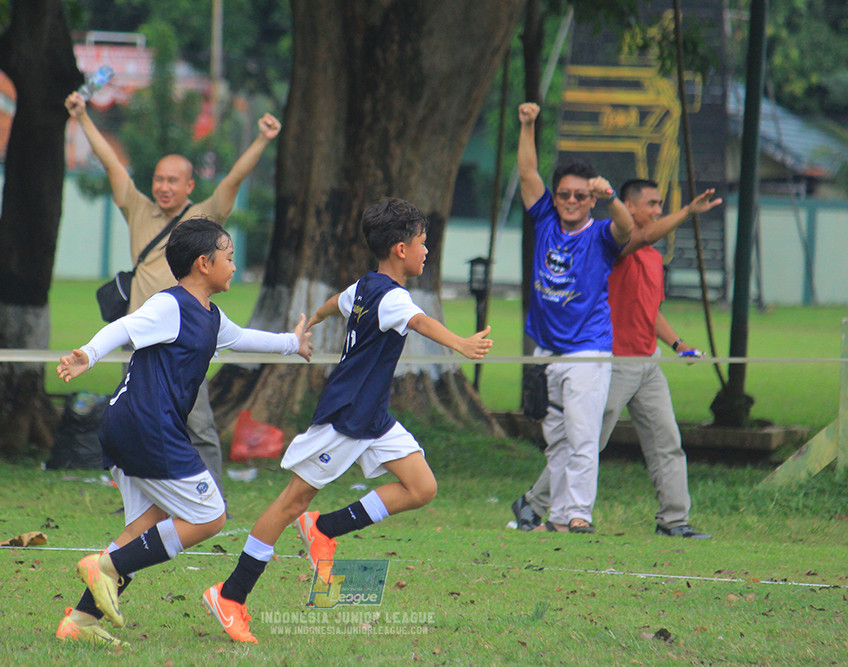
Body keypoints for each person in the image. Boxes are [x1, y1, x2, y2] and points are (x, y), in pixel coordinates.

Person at [201, 198, 493, 644]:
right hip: (346, 418)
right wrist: (461, 344)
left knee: (422, 487)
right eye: (422, 243)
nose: (426, 252)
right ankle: (231, 595)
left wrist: (312, 321)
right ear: (400, 249)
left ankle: (325, 528)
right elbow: (420, 321)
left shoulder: (366, 285)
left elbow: (337, 302)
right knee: (288, 504)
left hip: (372, 416)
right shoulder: (394, 296)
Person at [54, 218, 313, 646]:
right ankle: (106, 566)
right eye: (228, 257)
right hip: (147, 426)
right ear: (203, 263)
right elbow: (124, 327)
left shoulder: (209, 316)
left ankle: (79, 621)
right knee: (210, 516)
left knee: (145, 525)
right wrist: (89, 354)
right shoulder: (169, 305)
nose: (234, 264)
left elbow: (243, 338)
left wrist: (292, 342)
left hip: (130, 426)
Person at [65, 91, 282, 501]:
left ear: (190, 185)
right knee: (136, 416)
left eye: (172, 181)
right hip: (140, 339)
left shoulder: (203, 217)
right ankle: (141, 496)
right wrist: (82, 117)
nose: (163, 187)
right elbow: (112, 163)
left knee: (197, 423)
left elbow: (233, 180)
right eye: (159, 179)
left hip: (183, 342)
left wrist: (262, 139)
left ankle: (212, 500)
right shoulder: (138, 209)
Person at [512, 178, 721, 538]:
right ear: (629, 207)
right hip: (611, 363)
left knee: (667, 442)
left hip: (647, 364)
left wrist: (678, 344)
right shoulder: (616, 245)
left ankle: (673, 521)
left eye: (660, 204)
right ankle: (534, 502)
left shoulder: (653, 258)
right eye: (652, 204)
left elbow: (649, 310)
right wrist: (687, 211)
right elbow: (644, 234)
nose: (657, 210)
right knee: (586, 440)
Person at [517, 102, 634, 534]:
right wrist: (527, 126)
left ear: (591, 199)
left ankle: (579, 513)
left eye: (579, 196)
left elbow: (627, 230)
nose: (570, 201)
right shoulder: (546, 219)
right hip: (546, 350)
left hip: (588, 349)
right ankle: (559, 516)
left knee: (583, 437)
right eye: (564, 194)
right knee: (557, 440)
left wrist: (611, 198)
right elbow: (528, 175)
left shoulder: (600, 232)